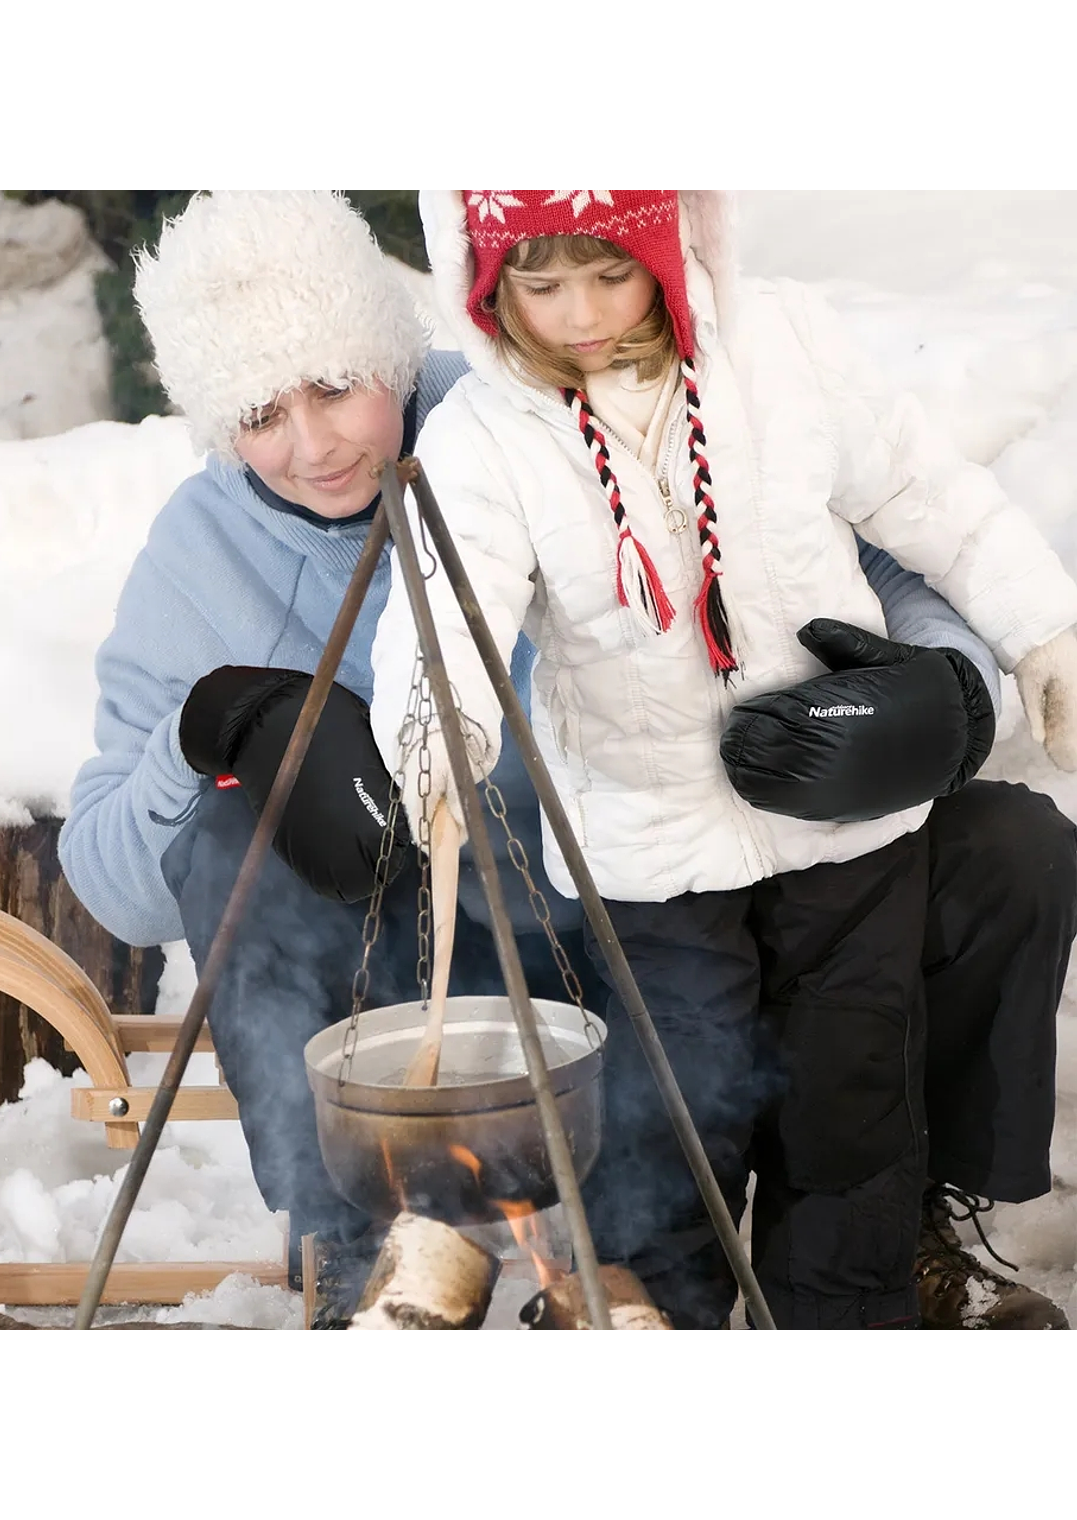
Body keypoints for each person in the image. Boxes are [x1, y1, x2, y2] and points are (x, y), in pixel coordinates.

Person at [60, 189, 1072, 1329]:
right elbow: (115, 882)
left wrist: (945, 696)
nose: (312, 443)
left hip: (689, 875)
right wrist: (208, 730)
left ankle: (902, 1225)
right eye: (256, 412)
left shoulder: (529, 399)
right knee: (231, 837)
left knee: (1008, 847)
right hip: (463, 982)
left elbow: (865, 545)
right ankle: (374, 1258)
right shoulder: (209, 553)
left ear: (393, 347)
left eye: (336, 386)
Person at [367, 188, 1077, 1329]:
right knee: (681, 1117)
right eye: (539, 288)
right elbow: (445, 608)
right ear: (488, 279)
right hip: (648, 852)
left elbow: (922, 490)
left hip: (846, 816)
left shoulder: (781, 347)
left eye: (610, 274)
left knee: (851, 1104)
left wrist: (1044, 625)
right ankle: (669, 1310)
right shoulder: (487, 434)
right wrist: (435, 730)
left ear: (665, 240)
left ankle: (843, 1308)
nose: (580, 315)